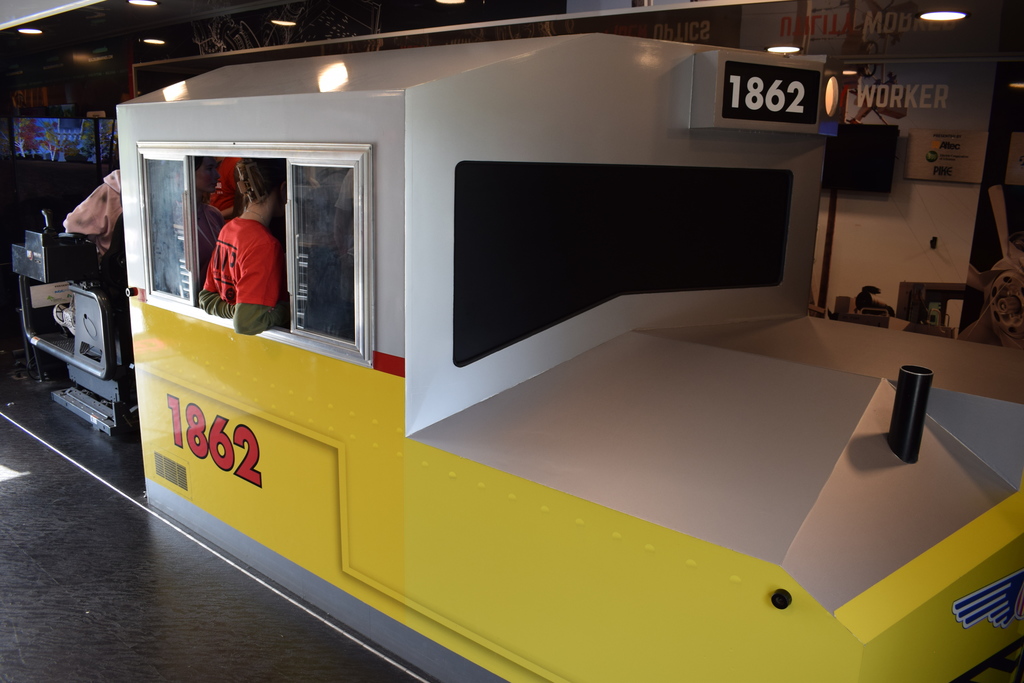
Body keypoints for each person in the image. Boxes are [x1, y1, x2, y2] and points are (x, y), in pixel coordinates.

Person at [199, 158, 289, 335]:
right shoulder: (265, 245)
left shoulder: (228, 229)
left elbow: (206, 298)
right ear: (284, 189)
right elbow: (247, 322)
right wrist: (287, 311)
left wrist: (236, 309)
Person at [194, 156, 225, 279]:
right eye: (209, 168)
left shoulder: (214, 214)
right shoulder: (170, 219)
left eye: (215, 167)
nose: (217, 175)